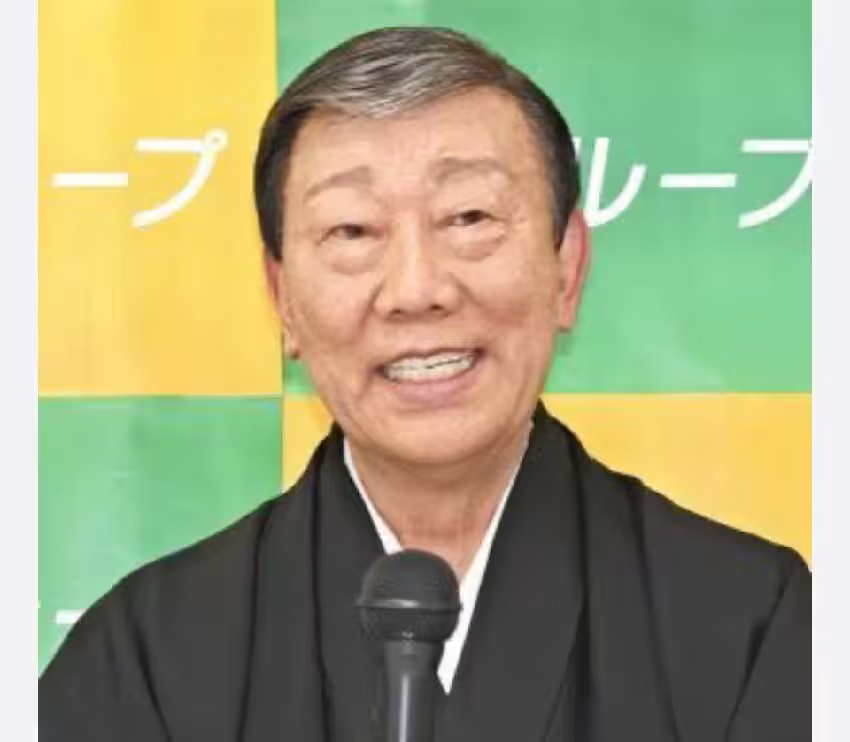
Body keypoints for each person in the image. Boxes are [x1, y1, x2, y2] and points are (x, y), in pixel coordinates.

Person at [40, 26, 810, 741]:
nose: (416, 289)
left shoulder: (753, 624)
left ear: (568, 267)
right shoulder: (145, 659)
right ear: (283, 301)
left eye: (469, 217)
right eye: (352, 231)